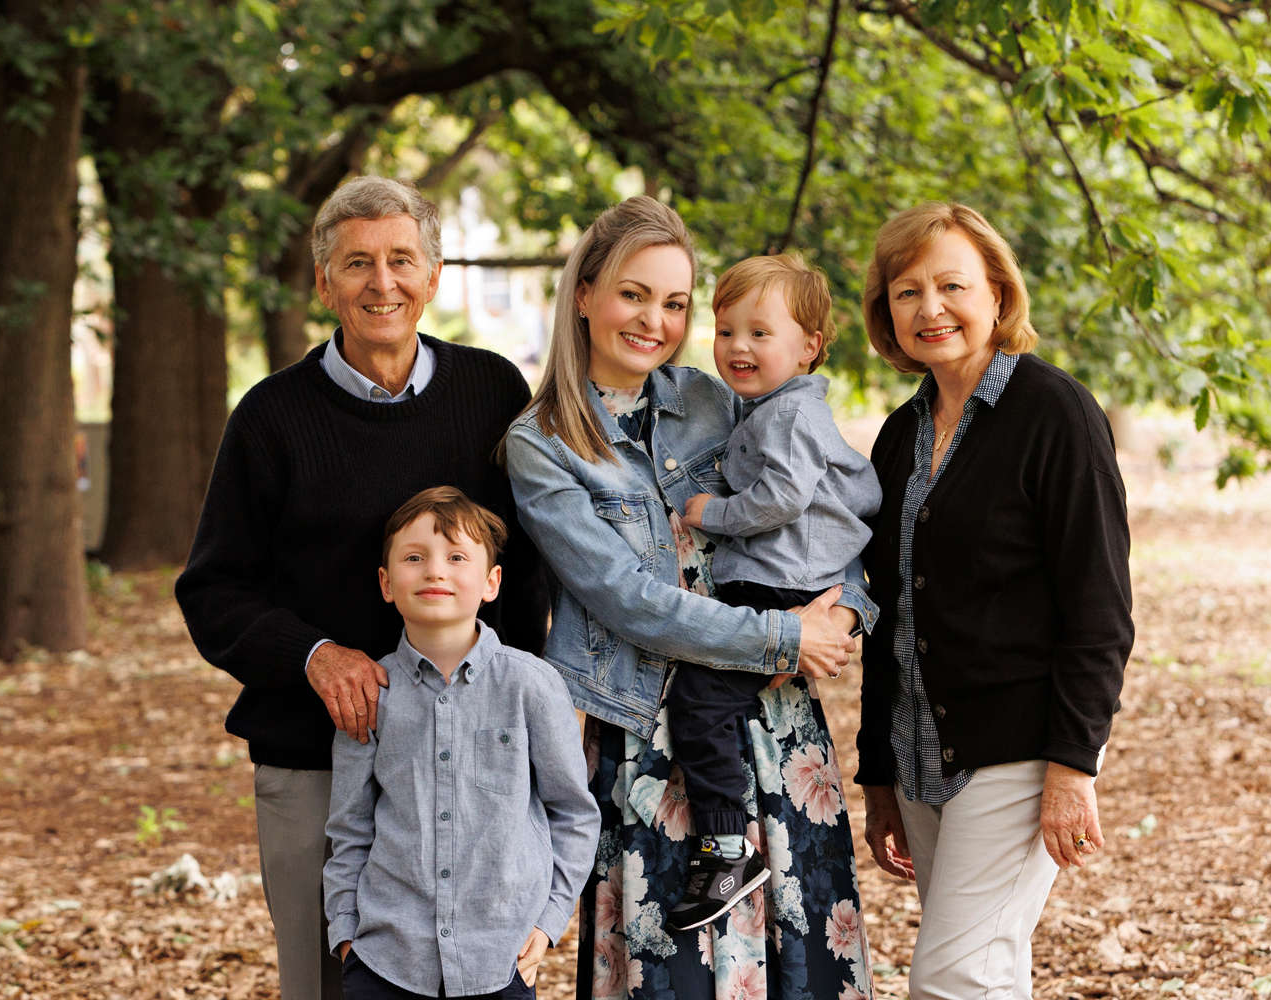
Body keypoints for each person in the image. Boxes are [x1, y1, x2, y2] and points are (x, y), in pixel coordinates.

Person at [175, 175, 547, 1000]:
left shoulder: (493, 394)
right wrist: (314, 657)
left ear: (434, 276)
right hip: (316, 761)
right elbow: (213, 591)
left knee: (477, 982)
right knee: (326, 983)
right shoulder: (270, 418)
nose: (382, 284)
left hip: (468, 763)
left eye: (401, 260)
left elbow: (522, 579)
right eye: (356, 264)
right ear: (323, 283)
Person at [503, 196, 878, 1000]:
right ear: (586, 294)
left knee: (798, 966)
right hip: (651, 737)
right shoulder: (541, 447)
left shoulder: (718, 398)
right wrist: (784, 635)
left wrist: (844, 611)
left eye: (675, 303)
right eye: (634, 294)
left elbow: (822, 514)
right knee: (670, 977)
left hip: (776, 726)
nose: (655, 321)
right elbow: (629, 600)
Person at [854, 202, 1134, 1000]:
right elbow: (890, 612)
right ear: (888, 315)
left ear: (999, 297)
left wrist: (1074, 765)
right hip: (921, 751)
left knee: (952, 978)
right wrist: (880, 774)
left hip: (1024, 745)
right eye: (907, 292)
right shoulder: (898, 435)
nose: (930, 308)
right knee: (987, 972)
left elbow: (1100, 607)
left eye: (952, 285)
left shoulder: (1055, 413)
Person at [666, 253, 881, 932]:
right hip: (781, 581)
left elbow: (784, 497)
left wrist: (712, 515)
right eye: (725, 329)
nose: (737, 346)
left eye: (760, 332)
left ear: (810, 346)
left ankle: (727, 848)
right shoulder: (771, 410)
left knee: (700, 701)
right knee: (716, 702)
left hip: (777, 587)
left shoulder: (787, 416)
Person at [324, 487, 599, 1000]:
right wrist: (347, 936)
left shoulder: (532, 685)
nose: (435, 571)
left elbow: (574, 814)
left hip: (502, 959)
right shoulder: (370, 693)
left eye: (456, 557)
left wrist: (549, 920)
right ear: (386, 583)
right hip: (386, 960)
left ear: (492, 582)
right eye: (414, 558)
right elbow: (350, 824)